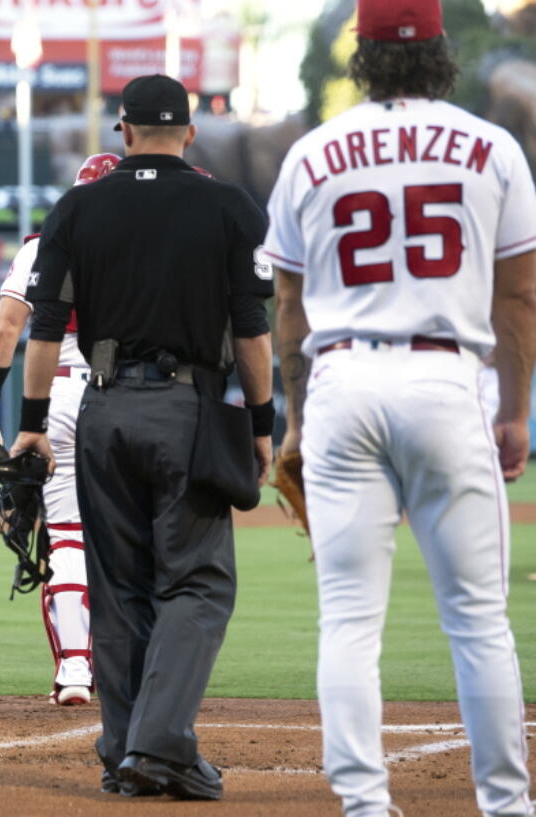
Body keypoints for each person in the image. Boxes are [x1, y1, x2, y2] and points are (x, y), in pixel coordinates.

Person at [264, 0, 536, 814]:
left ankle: (365, 805)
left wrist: (301, 416)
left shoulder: (313, 153)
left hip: (344, 377)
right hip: (448, 376)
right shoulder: (490, 147)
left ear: (364, 58)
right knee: (478, 617)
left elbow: (286, 304)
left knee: (349, 618)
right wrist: (515, 409)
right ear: (442, 55)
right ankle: (507, 804)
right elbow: (520, 296)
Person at [11, 74, 275, 800]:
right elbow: (252, 331)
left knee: (118, 587)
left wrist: (32, 427)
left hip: (99, 410)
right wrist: (260, 423)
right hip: (185, 410)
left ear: (122, 131)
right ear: (190, 133)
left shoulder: (78, 206)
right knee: (196, 580)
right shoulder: (227, 204)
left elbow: (42, 331)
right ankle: (159, 748)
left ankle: (125, 751)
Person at [0, 152, 121, 707]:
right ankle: (146, 670)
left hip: (58, 393)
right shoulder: (150, 246)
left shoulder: (42, 244)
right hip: (137, 392)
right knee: (140, 536)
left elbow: (6, 330)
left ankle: (76, 669)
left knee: (70, 536)